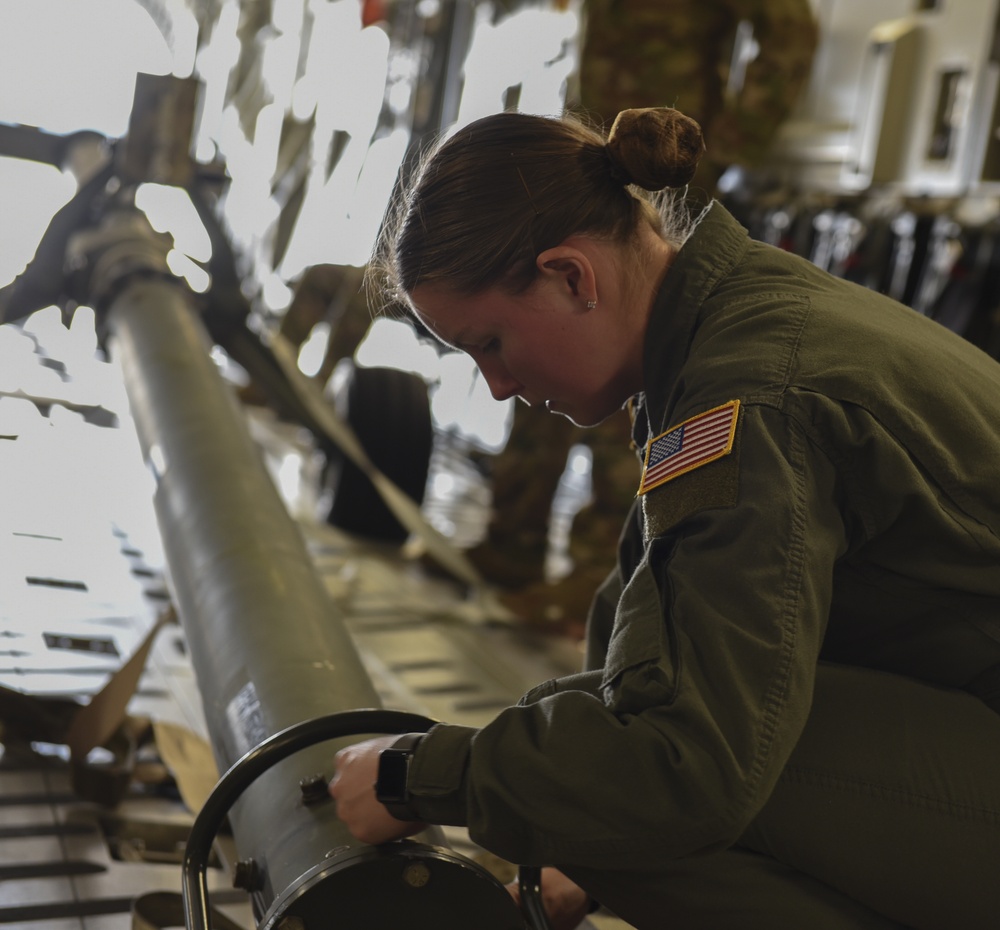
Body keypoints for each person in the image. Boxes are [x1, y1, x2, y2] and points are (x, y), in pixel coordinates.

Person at [328, 107, 1000, 929]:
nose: (497, 387)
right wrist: (584, 857)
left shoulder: (754, 395)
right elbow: (644, 648)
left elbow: (685, 768)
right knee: (579, 759)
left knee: (630, 788)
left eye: (491, 344)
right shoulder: (731, 323)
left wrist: (418, 778)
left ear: (572, 277)